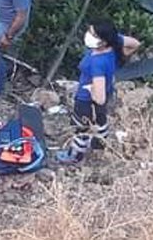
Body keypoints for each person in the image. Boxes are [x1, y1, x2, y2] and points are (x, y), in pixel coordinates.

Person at [56, 20, 141, 164]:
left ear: (103, 41)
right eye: (90, 31)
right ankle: (99, 145)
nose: (89, 35)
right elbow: (135, 44)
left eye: (93, 34)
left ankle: (75, 155)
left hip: (86, 100)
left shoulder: (97, 63)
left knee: (81, 127)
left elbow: (99, 98)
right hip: (107, 90)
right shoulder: (114, 45)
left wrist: (91, 90)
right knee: (100, 119)